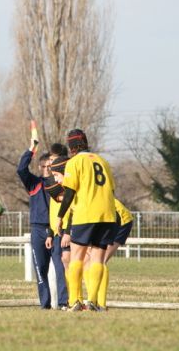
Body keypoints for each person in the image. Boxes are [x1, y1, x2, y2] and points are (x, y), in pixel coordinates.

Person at [56, 129, 117, 312]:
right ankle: (92, 301)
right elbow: (112, 191)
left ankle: (75, 301)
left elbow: (69, 192)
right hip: (107, 214)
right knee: (98, 258)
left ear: (71, 146)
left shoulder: (74, 162)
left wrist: (60, 217)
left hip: (86, 213)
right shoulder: (103, 161)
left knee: (77, 257)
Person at [16, 139, 67, 309]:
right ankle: (44, 304)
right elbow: (21, 169)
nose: (46, 169)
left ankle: (63, 302)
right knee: (40, 269)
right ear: (39, 167)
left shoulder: (61, 183)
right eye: (43, 166)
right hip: (38, 230)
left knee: (60, 266)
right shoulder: (34, 183)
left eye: (49, 166)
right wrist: (31, 149)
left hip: (56, 229)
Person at [44, 155, 71, 310]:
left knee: (69, 265)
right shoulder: (52, 187)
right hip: (55, 235)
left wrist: (68, 231)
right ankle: (63, 301)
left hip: (67, 233)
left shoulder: (68, 187)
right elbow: (52, 214)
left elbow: (72, 212)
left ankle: (73, 298)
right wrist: (49, 233)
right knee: (60, 269)